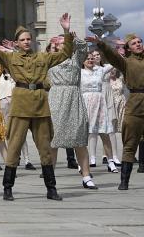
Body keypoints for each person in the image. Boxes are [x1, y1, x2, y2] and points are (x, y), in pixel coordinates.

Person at [0, 15, 74, 201]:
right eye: (22, 40)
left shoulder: (42, 57)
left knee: (45, 148)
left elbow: (65, 54)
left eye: (28, 39)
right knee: (14, 147)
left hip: (40, 105)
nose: (26, 42)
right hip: (20, 104)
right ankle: (7, 188)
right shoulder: (10, 57)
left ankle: (51, 189)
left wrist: (67, 32)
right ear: (16, 43)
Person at [93, 19, 144, 191]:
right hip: (135, 106)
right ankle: (124, 181)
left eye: (139, 42)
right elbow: (112, 56)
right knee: (130, 144)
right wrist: (101, 44)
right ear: (128, 48)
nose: (138, 44)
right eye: (133, 43)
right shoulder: (126, 62)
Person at [46, 30, 98, 192]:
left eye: (67, 42)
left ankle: (86, 176)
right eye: (62, 42)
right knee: (53, 142)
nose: (65, 44)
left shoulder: (75, 59)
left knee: (79, 140)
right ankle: (51, 178)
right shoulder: (50, 60)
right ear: (55, 46)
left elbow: (84, 48)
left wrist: (73, 36)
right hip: (56, 99)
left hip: (74, 98)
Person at [81, 50, 119, 173]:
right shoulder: (79, 72)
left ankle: (111, 161)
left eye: (92, 58)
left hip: (99, 103)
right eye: (87, 58)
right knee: (84, 134)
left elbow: (114, 62)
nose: (90, 60)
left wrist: (116, 51)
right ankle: (82, 162)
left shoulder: (100, 70)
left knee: (105, 133)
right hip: (85, 103)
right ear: (82, 61)